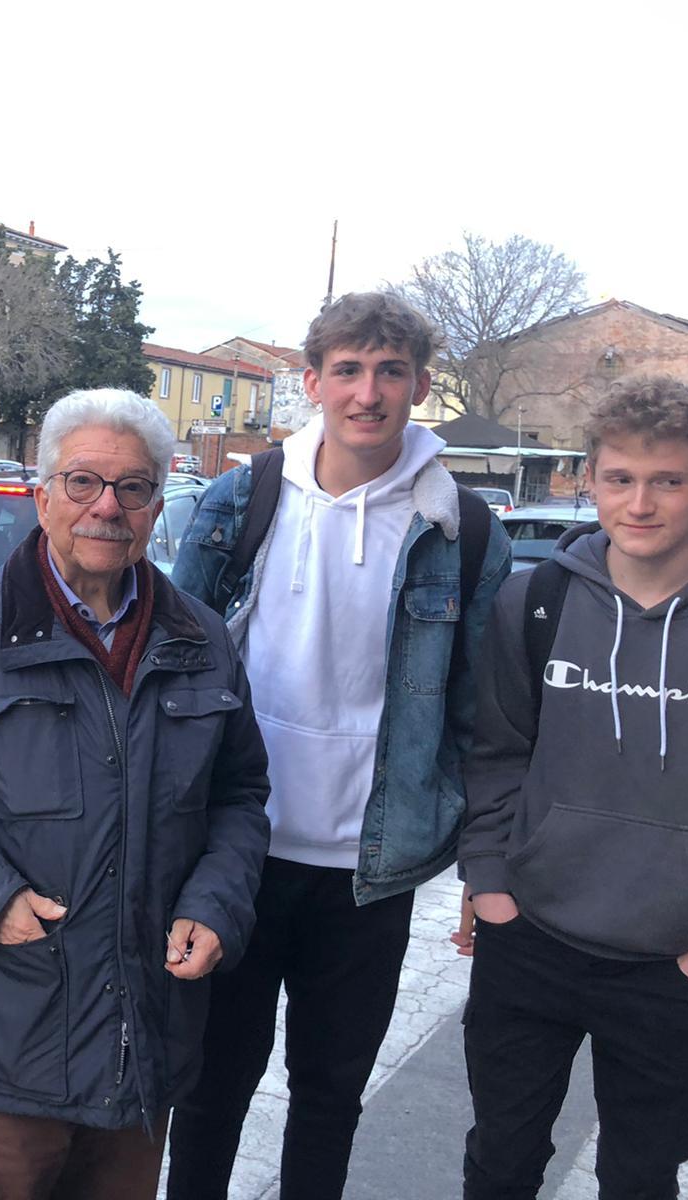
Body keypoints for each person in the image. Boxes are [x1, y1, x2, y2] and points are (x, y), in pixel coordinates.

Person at [0, 388, 272, 1200]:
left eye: (133, 488)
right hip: (1, 1046)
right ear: (44, 494)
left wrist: (217, 901)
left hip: (142, 1045)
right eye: (84, 481)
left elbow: (240, 793)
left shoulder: (200, 640)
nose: (107, 507)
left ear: (156, 505)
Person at [165, 291, 512, 1200]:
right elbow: (171, 667)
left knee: (328, 1097)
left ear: (420, 387)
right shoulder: (243, 499)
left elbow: (477, 716)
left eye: (391, 372)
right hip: (236, 856)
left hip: (369, 872)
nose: (369, 393)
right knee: (208, 1088)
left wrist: (482, 863)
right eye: (348, 371)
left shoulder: (465, 533)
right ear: (313, 383)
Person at [456, 376, 688, 1199]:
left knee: (641, 1178)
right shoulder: (536, 602)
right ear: (590, 477)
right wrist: (492, 883)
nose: (641, 503)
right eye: (620, 478)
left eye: (668, 481)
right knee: (499, 1163)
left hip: (676, 963)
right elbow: (495, 753)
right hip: (530, 941)